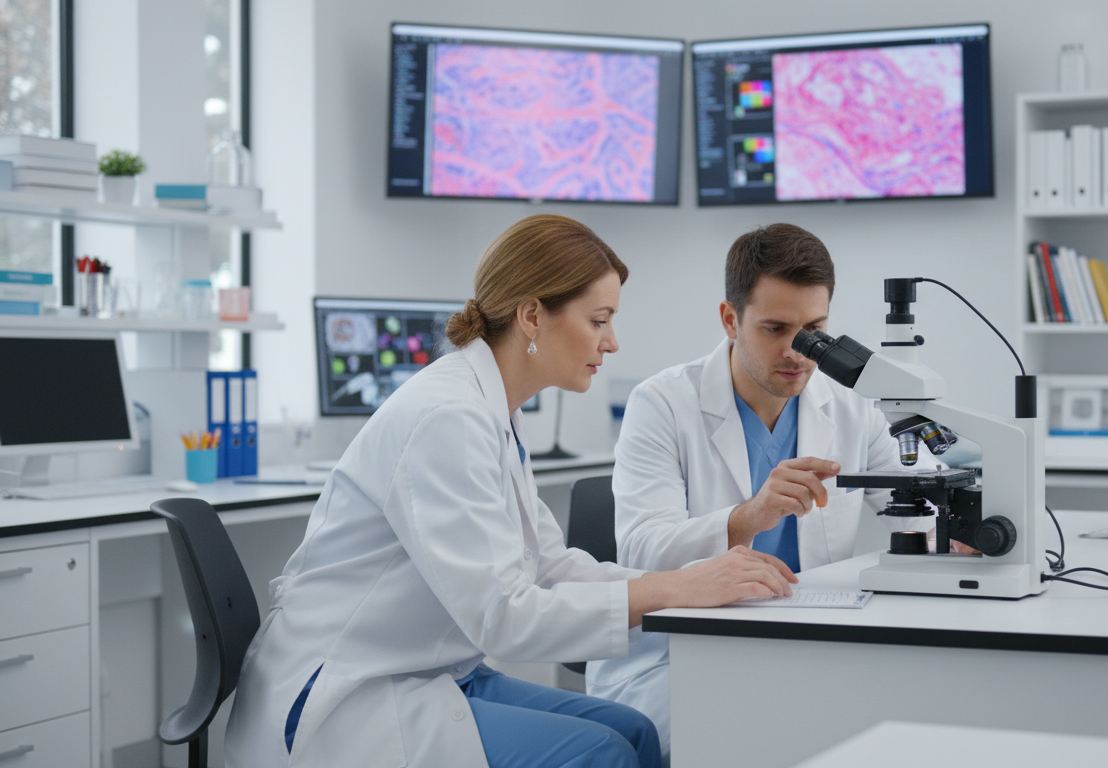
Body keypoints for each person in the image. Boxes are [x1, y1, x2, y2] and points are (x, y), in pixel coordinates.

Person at [224, 214, 797, 768]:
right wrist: (675, 587)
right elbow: (503, 617)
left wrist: (683, 587)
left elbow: (547, 566)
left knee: (634, 731)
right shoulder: (447, 416)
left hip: (431, 670)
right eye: (599, 320)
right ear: (532, 315)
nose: (613, 342)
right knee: (602, 753)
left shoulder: (492, 411)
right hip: (352, 692)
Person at [585, 223, 947, 761]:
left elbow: (924, 501)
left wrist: (958, 530)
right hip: (684, 653)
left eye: (815, 329)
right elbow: (641, 550)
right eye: (775, 328)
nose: (798, 351)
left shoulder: (849, 405)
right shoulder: (661, 404)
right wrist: (747, 516)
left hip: (810, 642)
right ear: (731, 319)